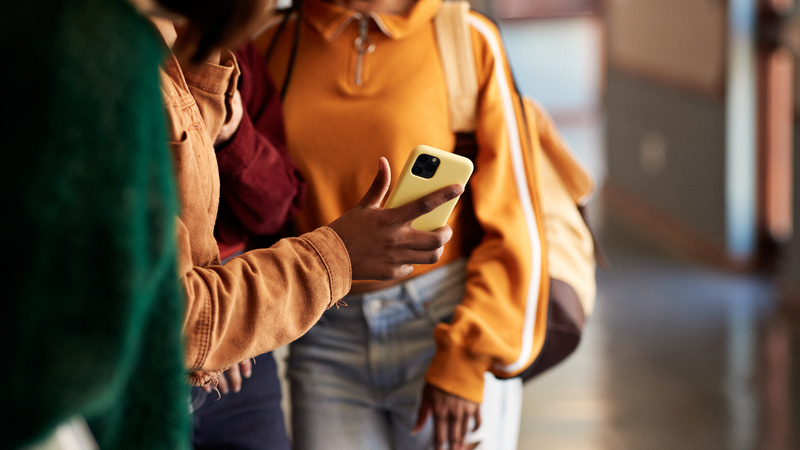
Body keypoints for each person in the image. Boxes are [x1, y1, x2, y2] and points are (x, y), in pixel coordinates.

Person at [252, 0, 550, 449]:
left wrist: (466, 358)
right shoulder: (271, 41)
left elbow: (515, 220)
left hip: (442, 324)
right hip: (323, 335)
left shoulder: (466, 39)